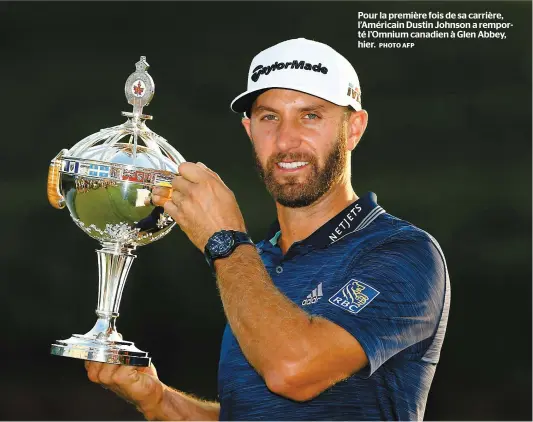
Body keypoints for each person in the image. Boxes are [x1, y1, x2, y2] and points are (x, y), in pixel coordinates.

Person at [85, 37, 450, 421]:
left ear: (354, 128)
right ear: (249, 129)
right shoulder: (253, 262)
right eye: (269, 117)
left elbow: (293, 370)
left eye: (311, 116)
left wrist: (224, 239)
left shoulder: (403, 252)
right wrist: (159, 401)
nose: (286, 139)